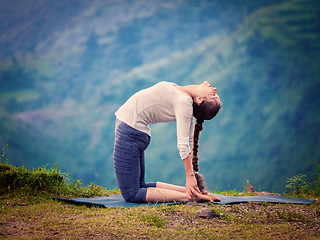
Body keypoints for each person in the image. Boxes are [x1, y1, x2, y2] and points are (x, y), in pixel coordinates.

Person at [113, 81, 221, 203]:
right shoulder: (185, 98)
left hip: (130, 132)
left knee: (132, 194)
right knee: (140, 186)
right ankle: (194, 193)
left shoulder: (183, 102)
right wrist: (195, 184)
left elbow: (184, 144)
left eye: (213, 96)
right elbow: (189, 142)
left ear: (200, 99)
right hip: (134, 131)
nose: (215, 90)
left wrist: (191, 176)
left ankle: (190, 197)